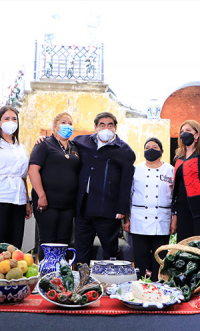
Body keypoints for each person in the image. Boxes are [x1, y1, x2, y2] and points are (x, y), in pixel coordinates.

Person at [73, 112, 135, 265]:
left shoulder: (125, 152)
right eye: (102, 125)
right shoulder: (80, 142)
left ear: (115, 128)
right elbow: (62, 148)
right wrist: (44, 140)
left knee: (110, 251)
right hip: (83, 209)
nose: (106, 128)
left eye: (110, 125)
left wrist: (122, 210)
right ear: (95, 127)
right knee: (81, 250)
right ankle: (83, 283)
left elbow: (126, 183)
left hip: (108, 210)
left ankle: (110, 284)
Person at [28, 112, 80, 261]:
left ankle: (60, 278)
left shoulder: (75, 147)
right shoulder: (43, 144)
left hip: (68, 205)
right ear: (54, 126)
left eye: (70, 123)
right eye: (64, 122)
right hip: (47, 204)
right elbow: (33, 170)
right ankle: (45, 277)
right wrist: (41, 196)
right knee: (47, 241)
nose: (68, 126)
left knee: (63, 243)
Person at [123, 137, 174, 281]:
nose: (150, 150)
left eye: (155, 147)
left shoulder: (170, 169)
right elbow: (128, 196)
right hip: (139, 220)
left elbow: (174, 196)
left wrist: (174, 220)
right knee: (140, 257)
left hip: (162, 220)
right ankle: (143, 284)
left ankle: (159, 284)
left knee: (159, 257)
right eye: (147, 148)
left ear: (162, 151)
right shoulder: (136, 169)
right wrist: (127, 220)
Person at [0, 106, 32, 249]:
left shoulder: (21, 148)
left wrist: (26, 201)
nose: (11, 121)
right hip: (2, 197)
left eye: (14, 119)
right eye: (6, 118)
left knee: (15, 242)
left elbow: (23, 177)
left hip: (18, 199)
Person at [171, 120, 200, 242]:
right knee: (184, 245)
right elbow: (177, 188)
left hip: (198, 208)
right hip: (182, 209)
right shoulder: (179, 158)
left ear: (197, 134)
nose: (184, 133)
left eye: (188, 130)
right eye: (182, 131)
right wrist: (175, 214)